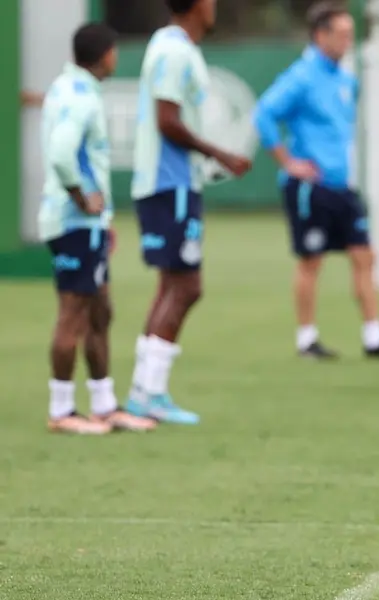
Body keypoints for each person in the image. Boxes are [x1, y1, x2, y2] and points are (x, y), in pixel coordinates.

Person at [254, 2, 379, 361]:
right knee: (311, 260)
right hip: (311, 186)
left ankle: (374, 335)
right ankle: (307, 338)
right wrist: (289, 162)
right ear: (321, 36)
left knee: (364, 255)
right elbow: (264, 114)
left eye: (351, 35)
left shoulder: (345, 80)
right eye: (342, 35)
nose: (348, 42)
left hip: (341, 183)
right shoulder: (301, 76)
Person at [126, 0, 252, 425]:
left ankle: (144, 389)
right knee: (186, 287)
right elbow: (167, 120)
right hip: (170, 182)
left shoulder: (169, 45)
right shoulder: (174, 52)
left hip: (169, 182)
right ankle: (150, 392)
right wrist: (221, 153)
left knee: (170, 286)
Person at [40, 23, 157, 435]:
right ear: (106, 54)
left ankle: (105, 404)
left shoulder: (65, 88)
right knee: (73, 315)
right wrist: (81, 199)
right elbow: (60, 153)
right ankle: (62, 410)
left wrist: (102, 221)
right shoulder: (82, 99)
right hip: (74, 222)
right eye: (114, 52)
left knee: (101, 312)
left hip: (88, 225)